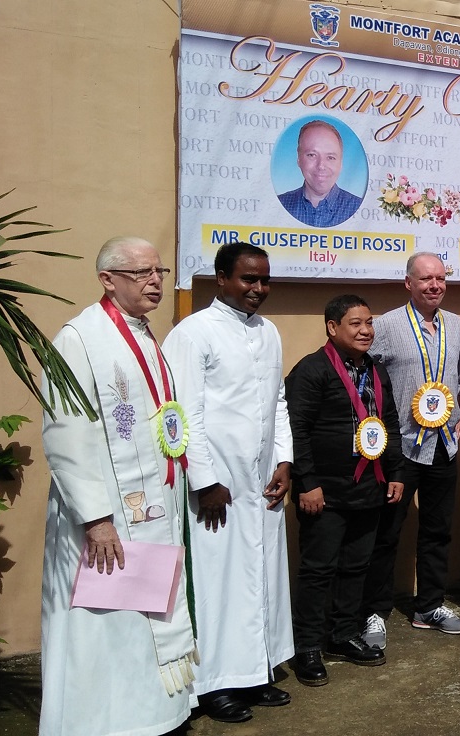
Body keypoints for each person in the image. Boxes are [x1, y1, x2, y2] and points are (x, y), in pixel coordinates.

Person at [39, 236, 197, 736]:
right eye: (140, 273)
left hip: (151, 509)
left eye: (159, 271)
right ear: (107, 279)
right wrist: (97, 517)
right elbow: (65, 433)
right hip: (103, 516)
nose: (154, 281)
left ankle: (152, 716)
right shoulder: (80, 338)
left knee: (144, 617)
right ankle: (99, 723)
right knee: (104, 621)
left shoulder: (145, 335)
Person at [164, 243, 295, 721]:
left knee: (260, 579)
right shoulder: (194, 333)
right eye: (248, 279)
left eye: (264, 280)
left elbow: (278, 402)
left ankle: (254, 673)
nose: (258, 289)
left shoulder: (269, 331)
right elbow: (182, 413)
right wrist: (205, 480)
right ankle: (214, 684)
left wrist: (284, 460)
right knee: (218, 584)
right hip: (217, 488)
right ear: (221, 278)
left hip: (261, 483)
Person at [285, 295, 406, 685]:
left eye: (369, 323)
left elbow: (389, 422)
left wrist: (396, 471)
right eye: (355, 323)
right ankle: (307, 646)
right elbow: (296, 430)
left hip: (369, 488)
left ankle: (342, 634)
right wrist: (307, 483)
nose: (365, 330)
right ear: (332, 327)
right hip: (325, 493)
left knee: (356, 566)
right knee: (318, 570)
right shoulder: (312, 370)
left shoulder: (376, 369)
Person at [362, 252, 460, 645]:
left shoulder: (457, 326)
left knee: (438, 531)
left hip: (443, 446)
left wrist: (459, 414)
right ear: (408, 283)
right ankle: (373, 612)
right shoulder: (387, 325)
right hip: (400, 448)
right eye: (426, 279)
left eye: (440, 278)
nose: (434, 285)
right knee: (386, 533)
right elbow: (365, 377)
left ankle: (429, 606)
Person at [277, 119, 362, 228]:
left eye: (330, 157)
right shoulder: (278, 205)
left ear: (341, 163)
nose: (321, 166)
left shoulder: (360, 209)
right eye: (312, 155)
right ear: (299, 159)